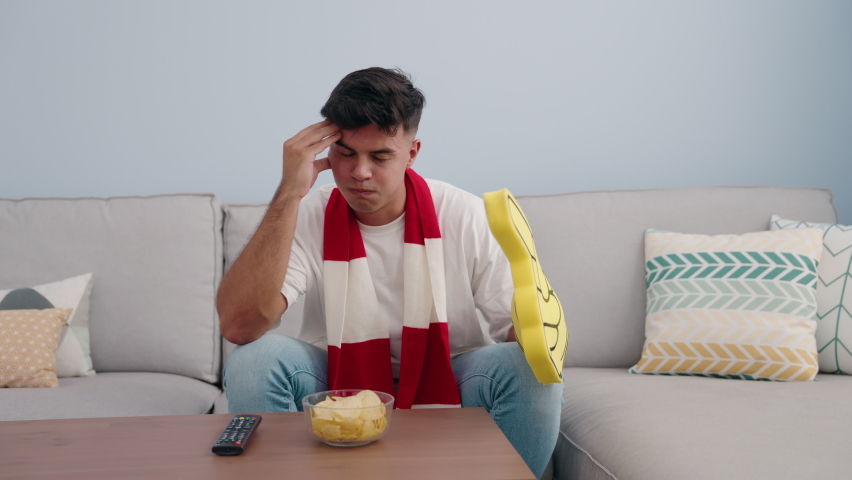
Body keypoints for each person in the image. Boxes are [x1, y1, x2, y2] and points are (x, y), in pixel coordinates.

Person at [217, 67, 562, 478]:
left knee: (528, 368)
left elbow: (519, 334)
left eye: (380, 156)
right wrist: (289, 193)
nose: (360, 172)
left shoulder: (464, 213)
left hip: (450, 372)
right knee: (254, 360)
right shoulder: (307, 213)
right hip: (336, 377)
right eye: (345, 154)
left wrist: (543, 344)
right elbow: (240, 327)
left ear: (412, 153)